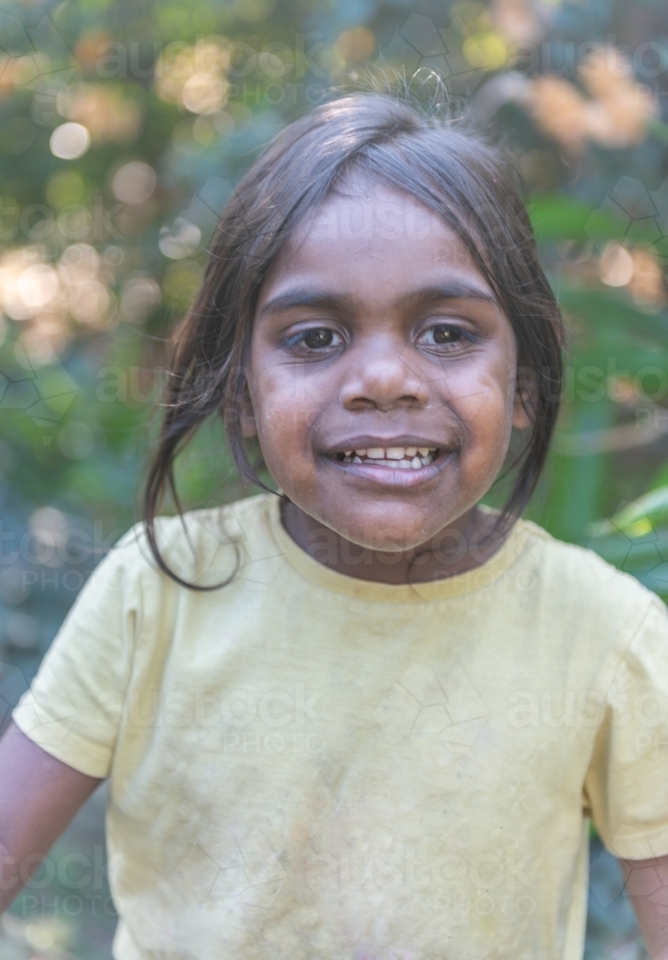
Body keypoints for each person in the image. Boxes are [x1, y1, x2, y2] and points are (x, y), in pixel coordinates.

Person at [1, 91, 668, 960]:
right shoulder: (157, 591)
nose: (385, 378)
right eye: (315, 338)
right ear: (240, 393)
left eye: (446, 332)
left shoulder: (604, 633)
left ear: (528, 388)